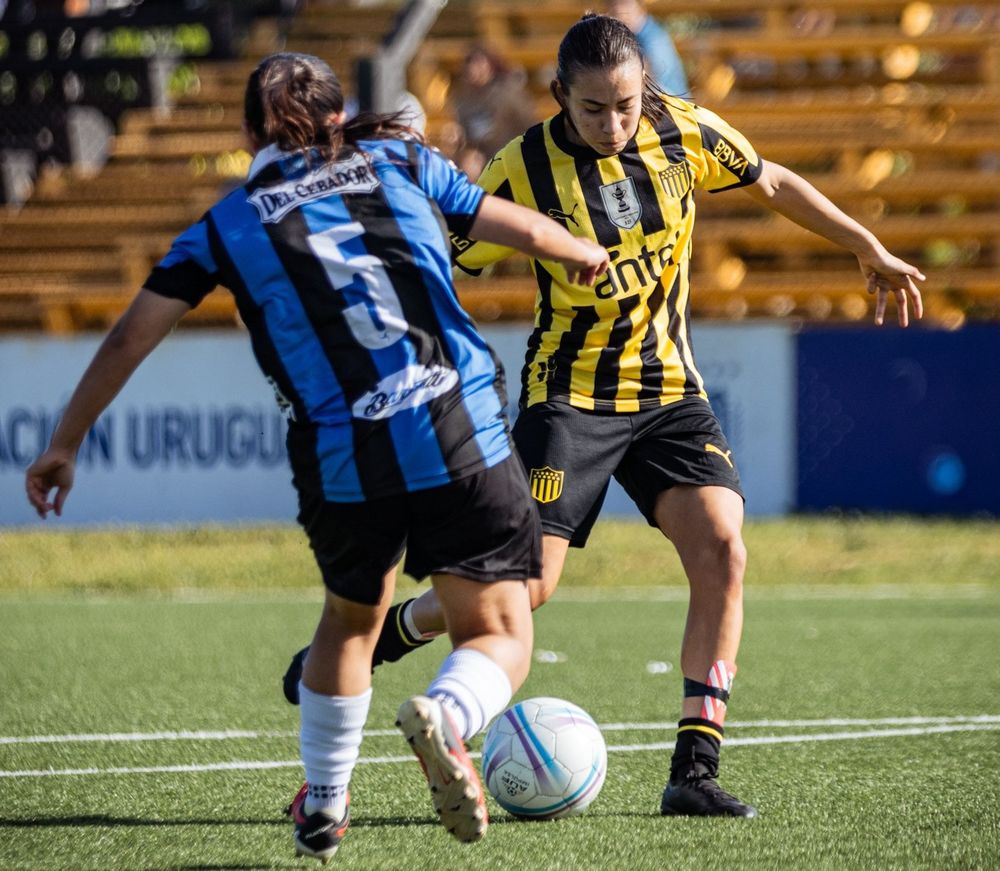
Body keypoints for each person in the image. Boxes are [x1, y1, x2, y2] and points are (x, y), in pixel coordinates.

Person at [282, 13, 925, 820]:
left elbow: (772, 180)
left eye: (626, 104)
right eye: (593, 109)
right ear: (559, 96)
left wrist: (864, 243)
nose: (614, 123)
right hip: (570, 399)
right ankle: (385, 637)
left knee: (724, 547)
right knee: (529, 588)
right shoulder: (523, 167)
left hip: (669, 395)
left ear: (643, 90)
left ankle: (694, 767)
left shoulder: (684, 130)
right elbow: (447, 255)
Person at [24, 52, 608, 864]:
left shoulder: (227, 223)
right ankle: (447, 710)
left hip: (343, 451)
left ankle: (325, 804)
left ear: (247, 133)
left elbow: (130, 335)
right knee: (501, 626)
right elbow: (506, 223)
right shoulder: (400, 156)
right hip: (456, 422)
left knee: (348, 620)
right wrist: (576, 250)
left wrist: (64, 441)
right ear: (339, 116)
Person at [445, 45, 538, 181]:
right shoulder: (463, 100)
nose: (473, 69)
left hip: (511, 154)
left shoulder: (509, 95)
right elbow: (469, 137)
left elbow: (530, 125)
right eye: (470, 64)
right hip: (481, 158)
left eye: (478, 64)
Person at [606, 0, 690, 98]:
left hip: (670, 105)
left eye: (624, 3)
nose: (618, 10)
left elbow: (647, 80)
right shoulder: (632, 34)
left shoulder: (653, 38)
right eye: (612, 4)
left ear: (640, 6)